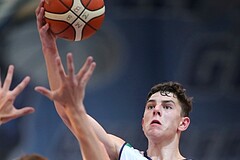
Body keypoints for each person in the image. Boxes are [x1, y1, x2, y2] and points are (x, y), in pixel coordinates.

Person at [36, 0, 193, 159]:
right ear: (143, 122)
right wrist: (49, 48)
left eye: (167, 107)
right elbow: (68, 111)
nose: (156, 110)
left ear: (183, 123)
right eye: (151, 107)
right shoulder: (123, 154)